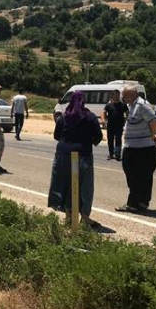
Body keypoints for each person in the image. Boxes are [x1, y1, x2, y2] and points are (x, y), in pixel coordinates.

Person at [48, 91, 103, 228]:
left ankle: (68, 217)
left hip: (63, 155)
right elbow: (98, 136)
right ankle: (84, 218)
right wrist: (87, 141)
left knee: (65, 184)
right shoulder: (89, 117)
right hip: (82, 155)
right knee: (84, 187)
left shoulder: (64, 117)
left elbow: (56, 136)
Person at [115, 84, 156, 213]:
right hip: (134, 147)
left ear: (130, 95)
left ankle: (134, 204)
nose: (123, 99)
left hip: (141, 149)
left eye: (124, 96)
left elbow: (154, 122)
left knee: (136, 176)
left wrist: (152, 136)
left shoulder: (141, 105)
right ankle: (140, 203)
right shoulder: (132, 106)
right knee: (139, 177)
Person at [101, 89, 128, 160]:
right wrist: (103, 120)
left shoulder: (123, 105)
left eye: (118, 95)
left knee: (118, 139)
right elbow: (103, 112)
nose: (117, 96)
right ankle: (111, 154)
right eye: (115, 95)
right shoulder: (109, 105)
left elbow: (128, 113)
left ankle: (118, 154)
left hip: (119, 125)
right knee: (110, 140)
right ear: (112, 96)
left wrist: (126, 121)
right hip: (110, 125)